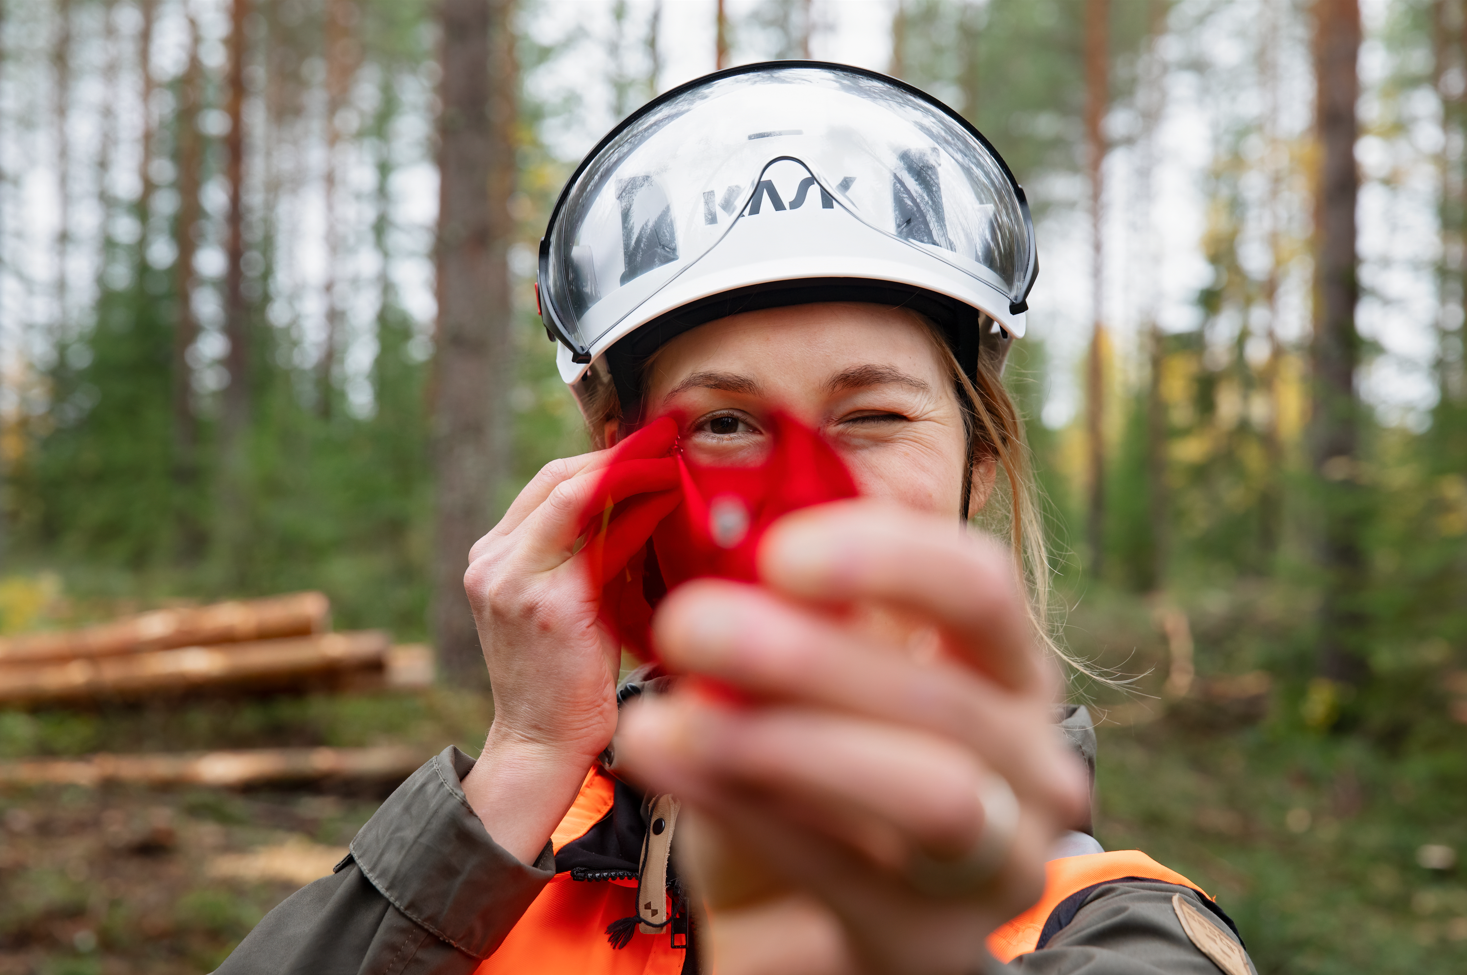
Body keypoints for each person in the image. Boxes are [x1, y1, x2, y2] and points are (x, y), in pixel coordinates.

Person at [216, 62, 1256, 975]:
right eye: (724, 421)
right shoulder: (499, 863)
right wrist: (528, 753)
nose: (804, 499)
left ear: (978, 467)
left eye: (873, 417)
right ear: (615, 472)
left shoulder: (1113, 929)